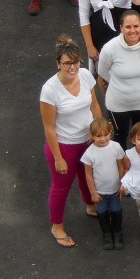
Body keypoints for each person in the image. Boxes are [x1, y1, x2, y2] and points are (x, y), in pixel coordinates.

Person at [40, 37, 102, 248]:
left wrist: (99, 131)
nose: (72, 67)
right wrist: (58, 157)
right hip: (64, 145)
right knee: (61, 187)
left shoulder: (84, 76)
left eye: (75, 62)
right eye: (67, 63)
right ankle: (56, 226)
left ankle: (91, 206)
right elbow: (48, 127)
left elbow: (94, 106)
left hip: (87, 139)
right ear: (58, 63)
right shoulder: (50, 90)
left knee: (87, 176)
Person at [96, 10, 140, 149]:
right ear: (121, 28)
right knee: (119, 138)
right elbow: (103, 73)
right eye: (128, 27)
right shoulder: (110, 48)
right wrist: (118, 87)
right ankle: (121, 170)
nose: (132, 30)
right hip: (117, 104)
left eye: (136, 26)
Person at [80, 117, 127, 250]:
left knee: (116, 210)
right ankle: (106, 234)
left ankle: (117, 232)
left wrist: (121, 184)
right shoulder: (89, 153)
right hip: (99, 191)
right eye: (98, 136)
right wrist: (93, 192)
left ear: (110, 133)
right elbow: (88, 174)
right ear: (92, 136)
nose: (103, 139)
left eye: (105, 135)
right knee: (101, 211)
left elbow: (121, 166)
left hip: (115, 189)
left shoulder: (116, 147)